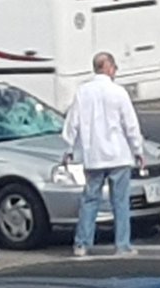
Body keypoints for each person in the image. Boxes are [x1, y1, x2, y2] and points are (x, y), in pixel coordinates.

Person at [62, 51, 145, 257]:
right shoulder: (119, 92)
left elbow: (72, 123)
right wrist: (138, 150)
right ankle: (122, 245)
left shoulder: (83, 92)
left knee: (90, 200)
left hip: (94, 155)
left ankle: (82, 243)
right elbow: (130, 125)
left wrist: (68, 149)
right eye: (114, 67)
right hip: (119, 155)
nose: (115, 71)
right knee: (120, 202)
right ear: (108, 67)